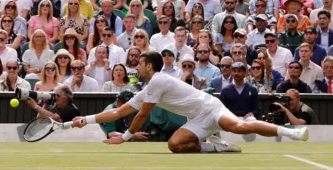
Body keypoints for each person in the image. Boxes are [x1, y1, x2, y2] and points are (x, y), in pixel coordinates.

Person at [71, 52, 309, 152]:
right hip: (196, 119)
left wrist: (123, 138)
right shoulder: (148, 88)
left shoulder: (157, 81)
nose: (136, 66)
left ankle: (291, 132)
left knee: (238, 126)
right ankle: (217, 146)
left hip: (209, 107)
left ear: (149, 67)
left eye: (140, 63)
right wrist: (85, 119)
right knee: (175, 145)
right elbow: (118, 112)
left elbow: (141, 116)